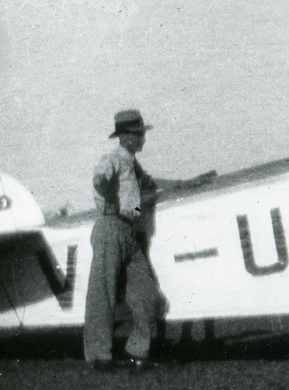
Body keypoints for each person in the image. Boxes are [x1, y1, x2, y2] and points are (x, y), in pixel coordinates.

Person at [85, 109, 214, 371]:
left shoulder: (133, 165)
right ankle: (100, 358)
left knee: (150, 298)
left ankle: (137, 353)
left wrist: (185, 183)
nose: (143, 138)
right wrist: (106, 193)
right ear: (125, 137)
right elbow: (100, 178)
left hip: (129, 232)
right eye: (138, 134)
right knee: (104, 295)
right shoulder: (113, 159)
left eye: (142, 133)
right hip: (110, 229)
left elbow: (151, 182)